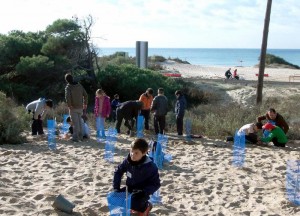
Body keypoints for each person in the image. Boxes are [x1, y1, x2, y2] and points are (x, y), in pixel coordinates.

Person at [113, 138, 160, 215]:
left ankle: (147, 206)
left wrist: (144, 192)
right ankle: (131, 208)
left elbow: (156, 184)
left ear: (144, 153)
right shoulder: (127, 161)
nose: (132, 155)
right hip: (129, 189)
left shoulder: (151, 167)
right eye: (131, 151)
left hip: (141, 193)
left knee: (136, 202)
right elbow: (118, 172)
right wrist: (116, 188)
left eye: (136, 153)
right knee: (115, 197)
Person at [65, 73, 88, 142]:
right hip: (80, 107)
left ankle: (75, 138)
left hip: (73, 108)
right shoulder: (79, 85)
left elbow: (67, 97)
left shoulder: (68, 87)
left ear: (66, 80)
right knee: (80, 122)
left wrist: (69, 105)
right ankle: (81, 137)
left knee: (75, 123)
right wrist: (85, 103)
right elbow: (86, 95)